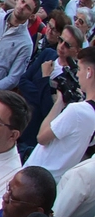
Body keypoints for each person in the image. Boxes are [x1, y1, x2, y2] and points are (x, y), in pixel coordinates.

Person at [26, 44, 95, 180]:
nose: (77, 73)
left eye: (79, 69)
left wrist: (58, 103)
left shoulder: (77, 111)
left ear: (89, 72)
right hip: (55, 183)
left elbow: (42, 138)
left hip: (36, 175)